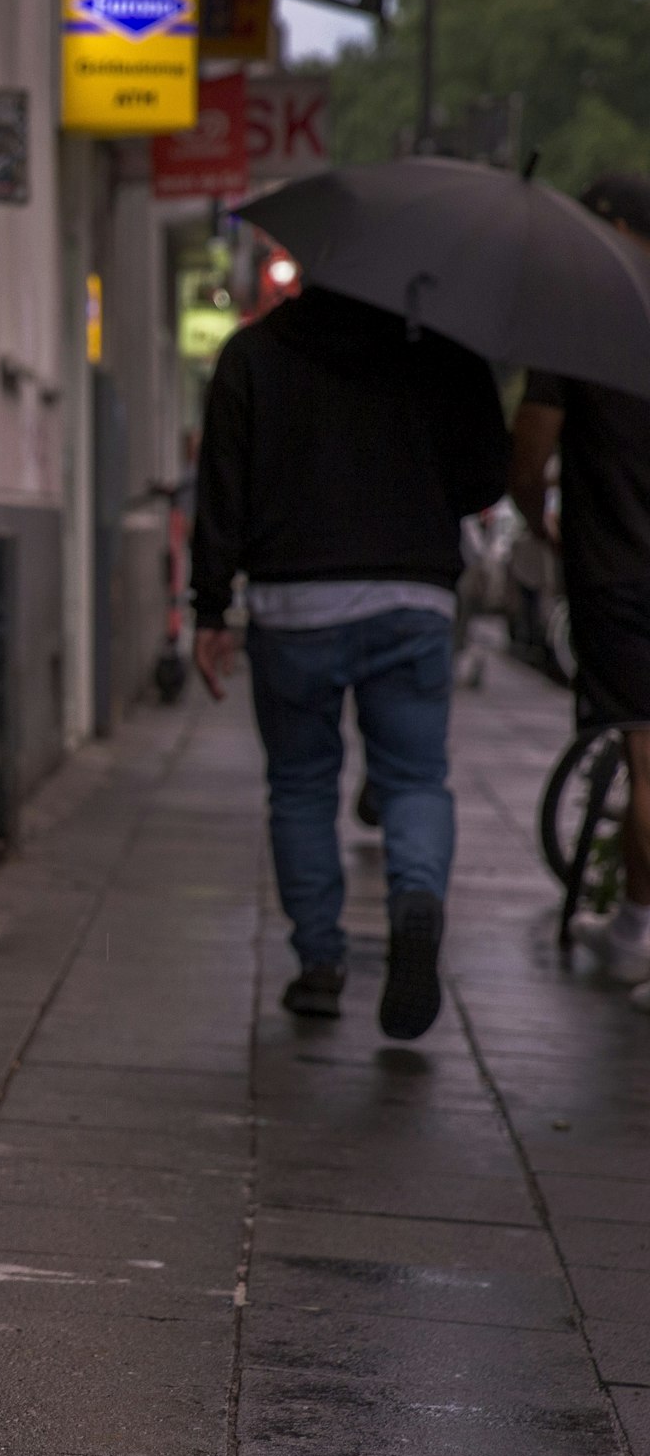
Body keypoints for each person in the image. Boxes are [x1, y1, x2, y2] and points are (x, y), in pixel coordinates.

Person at [192, 286, 509, 1039]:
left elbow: (221, 488)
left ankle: (320, 965)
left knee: (301, 785)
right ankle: (416, 898)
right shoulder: (446, 352)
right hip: (412, 593)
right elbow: (487, 475)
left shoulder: (254, 353)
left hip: (292, 603)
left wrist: (210, 607)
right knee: (415, 778)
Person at [509, 175, 650, 1010]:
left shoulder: (582, 320)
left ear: (621, 229)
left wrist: (541, 521)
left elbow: (529, 455)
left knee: (645, 753)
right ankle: (633, 922)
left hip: (620, 569)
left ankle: (640, 928)